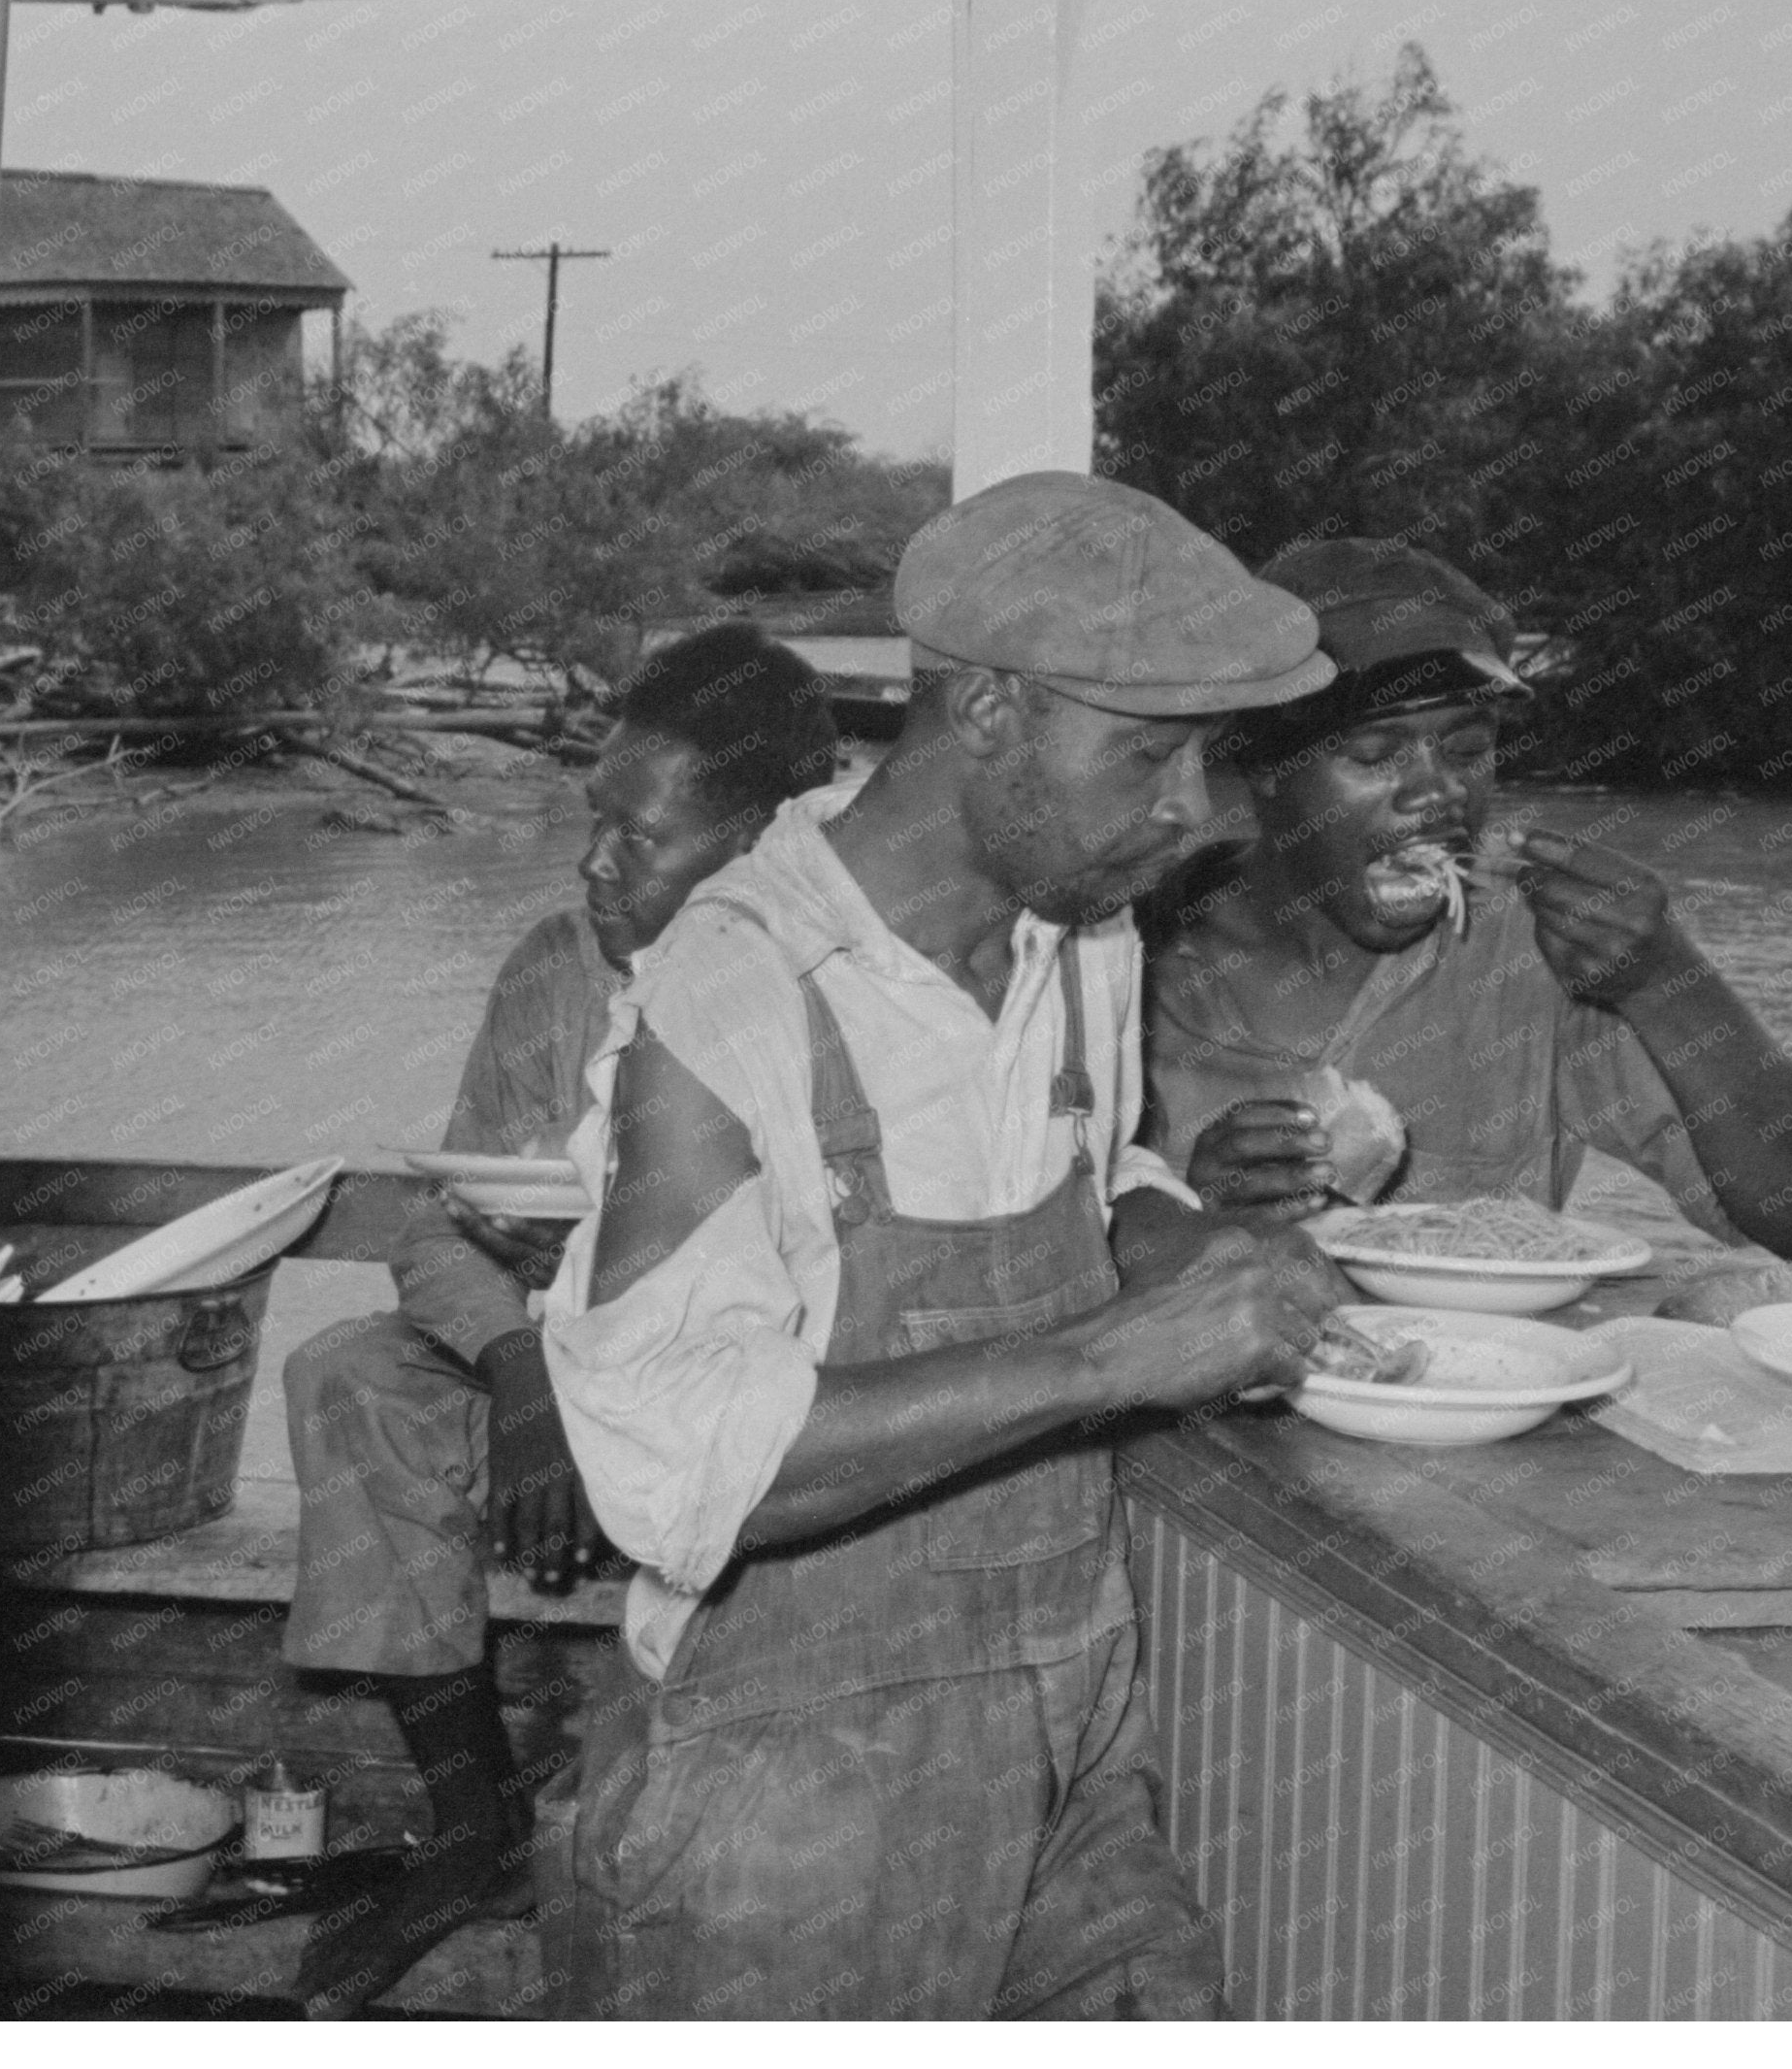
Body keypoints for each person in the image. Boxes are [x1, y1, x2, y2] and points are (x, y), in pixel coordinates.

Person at [541, 472, 1355, 2020]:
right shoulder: (731, 996)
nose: (1205, 812)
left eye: (1214, 754)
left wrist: (1185, 1241)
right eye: (1150, 753)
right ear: (984, 708)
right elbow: (664, 1459)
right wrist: (1115, 1355)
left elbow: (1085, 1170)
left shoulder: (1083, 935)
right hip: (785, 1789)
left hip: (1068, 1728)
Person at [277, 621, 838, 2015]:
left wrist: (597, 1274)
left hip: (739, 1394)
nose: (594, 861)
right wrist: (527, 1366)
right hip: (563, 1385)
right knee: (352, 1372)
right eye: (595, 821)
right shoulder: (551, 968)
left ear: (758, 846)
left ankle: (682, 1829)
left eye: (635, 839)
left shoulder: (831, 994)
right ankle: (471, 1819)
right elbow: (438, 1226)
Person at [1145, 538, 1792, 1277]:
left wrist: (1670, 982)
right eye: (1375, 755)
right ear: (1265, 769)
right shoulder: (1130, 956)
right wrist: (1186, 1222)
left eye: (1469, 750)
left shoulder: (1536, 951)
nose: (1438, 791)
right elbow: (1050, 1297)